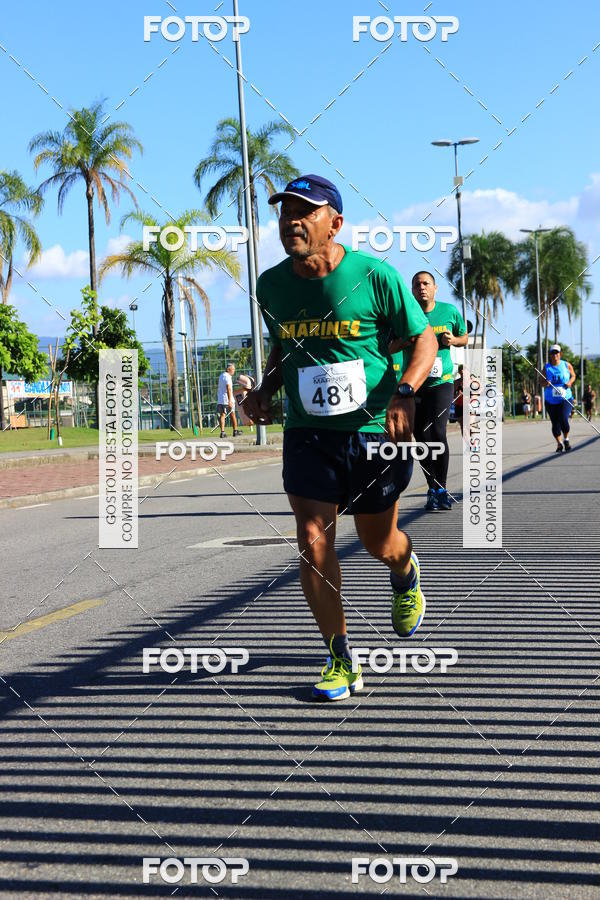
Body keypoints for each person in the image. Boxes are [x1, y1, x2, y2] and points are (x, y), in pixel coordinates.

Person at [243, 173, 437, 701]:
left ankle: (404, 569)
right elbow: (284, 347)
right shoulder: (271, 285)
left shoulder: (375, 275)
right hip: (308, 432)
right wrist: (265, 389)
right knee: (312, 539)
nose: (291, 221)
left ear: (335, 223)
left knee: (378, 542)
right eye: (285, 213)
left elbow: (423, 339)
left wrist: (405, 391)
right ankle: (340, 657)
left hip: (372, 430)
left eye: (304, 212)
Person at [390, 271, 468, 511]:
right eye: (417, 284)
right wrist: (405, 342)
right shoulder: (404, 315)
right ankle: (432, 487)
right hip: (414, 383)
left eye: (426, 283)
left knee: (438, 432)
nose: (421, 287)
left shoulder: (449, 311)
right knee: (421, 437)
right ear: (412, 290)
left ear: (435, 288)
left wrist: (453, 340)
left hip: (441, 382)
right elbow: (389, 346)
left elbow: (464, 337)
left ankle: (441, 488)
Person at [540, 344, 576, 452]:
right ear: (550, 355)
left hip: (565, 398)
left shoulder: (566, 365)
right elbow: (541, 382)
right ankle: (559, 443)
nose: (555, 355)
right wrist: (546, 383)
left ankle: (566, 439)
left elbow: (573, 375)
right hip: (550, 400)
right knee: (555, 423)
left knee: (564, 419)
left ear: (560, 354)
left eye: (557, 352)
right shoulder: (546, 367)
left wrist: (570, 382)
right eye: (553, 353)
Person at [217, 363, 242, 438]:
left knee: (222, 415)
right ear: (228, 369)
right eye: (233, 369)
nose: (234, 371)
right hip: (227, 399)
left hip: (220, 400)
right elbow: (229, 388)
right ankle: (235, 431)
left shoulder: (221, 376)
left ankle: (222, 432)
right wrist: (230, 400)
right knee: (232, 414)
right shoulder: (228, 377)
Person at [454, 364, 464, 435]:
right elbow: (452, 395)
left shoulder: (472, 381)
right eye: (460, 370)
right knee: (462, 426)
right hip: (459, 406)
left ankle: (471, 440)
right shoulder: (456, 382)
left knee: (469, 425)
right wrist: (457, 395)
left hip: (469, 405)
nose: (462, 371)